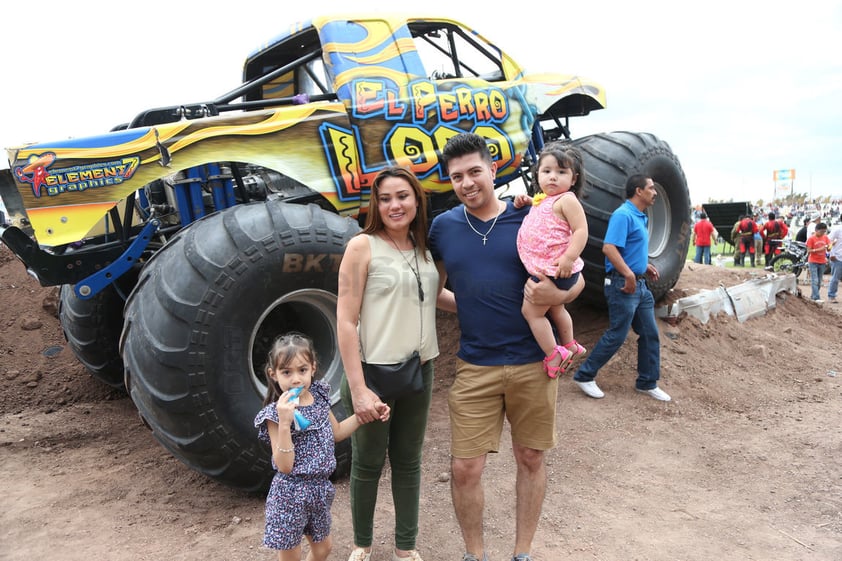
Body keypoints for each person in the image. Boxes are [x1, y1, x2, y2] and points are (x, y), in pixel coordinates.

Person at [429, 133, 582, 561]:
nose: (467, 182)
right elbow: (434, 290)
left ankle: (522, 553)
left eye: (475, 171)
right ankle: (474, 555)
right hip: (475, 365)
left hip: (534, 362)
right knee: (465, 468)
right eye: (457, 176)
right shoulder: (443, 228)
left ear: (493, 171)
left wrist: (558, 297)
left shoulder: (530, 215)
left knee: (531, 457)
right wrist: (471, 304)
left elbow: (576, 278)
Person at [337, 166, 440, 561]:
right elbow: (345, 320)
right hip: (374, 374)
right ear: (375, 205)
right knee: (367, 463)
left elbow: (430, 296)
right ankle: (362, 543)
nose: (395, 205)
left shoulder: (423, 247)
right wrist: (359, 389)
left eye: (402, 196)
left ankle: (405, 546)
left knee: (408, 461)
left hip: (421, 368)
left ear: (417, 200)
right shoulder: (362, 246)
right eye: (385, 199)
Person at [254, 333, 390, 561]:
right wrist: (285, 423)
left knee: (323, 549)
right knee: (291, 557)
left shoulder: (318, 397)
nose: (296, 379)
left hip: (319, 490)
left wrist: (365, 415)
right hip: (290, 495)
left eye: (302, 370)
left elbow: (336, 433)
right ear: (273, 374)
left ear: (313, 368)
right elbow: (284, 466)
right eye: (286, 372)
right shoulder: (274, 416)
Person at [572, 174, 671, 402]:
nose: (654, 192)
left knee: (650, 334)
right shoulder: (623, 215)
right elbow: (609, 249)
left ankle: (647, 383)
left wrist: (643, 266)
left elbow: (627, 249)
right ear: (638, 191)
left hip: (640, 285)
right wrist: (628, 274)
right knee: (617, 334)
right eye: (651, 188)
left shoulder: (640, 216)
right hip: (622, 284)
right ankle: (585, 375)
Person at [514, 143, 589, 377]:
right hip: (549, 269)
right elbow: (540, 210)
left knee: (532, 313)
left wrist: (568, 257)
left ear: (573, 178)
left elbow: (581, 230)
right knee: (557, 309)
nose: (553, 177)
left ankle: (554, 353)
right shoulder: (544, 199)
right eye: (546, 171)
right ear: (537, 174)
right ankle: (569, 344)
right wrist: (526, 202)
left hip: (556, 270)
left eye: (561, 172)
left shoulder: (567, 200)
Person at [806, 222, 831, 302]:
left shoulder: (825, 237)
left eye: (824, 232)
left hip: (822, 261)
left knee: (819, 281)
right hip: (813, 261)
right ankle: (817, 297)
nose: (823, 233)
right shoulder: (811, 239)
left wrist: (831, 245)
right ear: (816, 230)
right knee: (815, 280)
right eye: (821, 232)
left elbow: (828, 248)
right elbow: (809, 250)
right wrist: (819, 249)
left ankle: (813, 296)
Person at [827, 222, 842, 303]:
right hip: (838, 257)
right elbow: (829, 240)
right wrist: (831, 254)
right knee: (835, 278)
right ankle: (831, 295)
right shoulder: (838, 229)